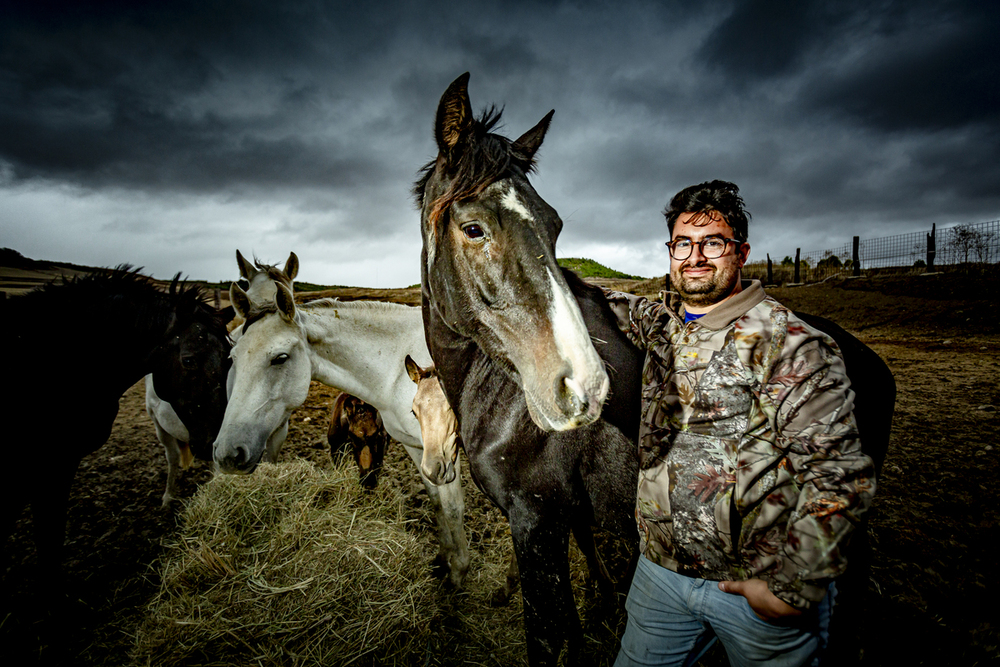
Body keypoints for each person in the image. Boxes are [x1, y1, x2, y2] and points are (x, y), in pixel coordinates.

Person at [605, 180, 876, 667]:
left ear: (741, 252)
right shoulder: (665, 326)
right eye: (683, 243)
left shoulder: (790, 343)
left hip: (755, 589)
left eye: (713, 242)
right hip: (661, 574)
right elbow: (612, 304)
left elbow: (839, 473)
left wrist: (793, 588)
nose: (696, 257)